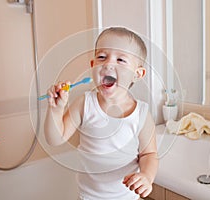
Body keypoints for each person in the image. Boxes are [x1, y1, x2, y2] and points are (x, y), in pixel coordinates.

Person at [44, 27, 158, 200]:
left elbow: (149, 154)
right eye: (102, 57)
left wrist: (147, 177)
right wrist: (56, 109)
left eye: (120, 59)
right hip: (88, 197)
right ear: (93, 66)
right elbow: (55, 139)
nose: (108, 64)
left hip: (126, 197)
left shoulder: (141, 114)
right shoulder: (84, 103)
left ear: (137, 74)